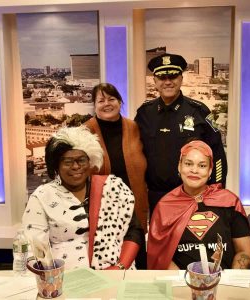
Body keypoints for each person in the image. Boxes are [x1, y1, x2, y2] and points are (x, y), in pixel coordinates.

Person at [22, 126, 143, 270]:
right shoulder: (42, 196)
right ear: (57, 166)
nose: (75, 166)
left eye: (81, 160)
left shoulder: (113, 188)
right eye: (67, 162)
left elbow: (134, 231)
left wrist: (119, 267)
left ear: (90, 161)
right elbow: (35, 246)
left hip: (116, 274)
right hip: (64, 280)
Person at [135, 53, 228, 216]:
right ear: (155, 81)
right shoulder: (144, 113)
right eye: (162, 77)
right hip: (155, 196)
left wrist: (216, 190)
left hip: (191, 196)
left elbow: (217, 153)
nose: (168, 82)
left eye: (173, 76)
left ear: (181, 79)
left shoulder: (198, 111)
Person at [147, 140, 250, 270]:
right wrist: (185, 283)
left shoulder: (229, 202)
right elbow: (160, 256)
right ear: (179, 167)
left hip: (224, 282)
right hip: (181, 283)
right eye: (188, 164)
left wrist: (230, 282)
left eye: (202, 166)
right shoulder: (165, 206)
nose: (194, 170)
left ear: (210, 171)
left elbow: (244, 251)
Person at [84, 83, 148, 269]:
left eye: (111, 99)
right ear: (94, 105)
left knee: (138, 254)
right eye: (101, 100)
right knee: (108, 259)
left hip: (136, 204)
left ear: (120, 102)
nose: (107, 104)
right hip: (104, 208)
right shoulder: (85, 131)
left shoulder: (133, 127)